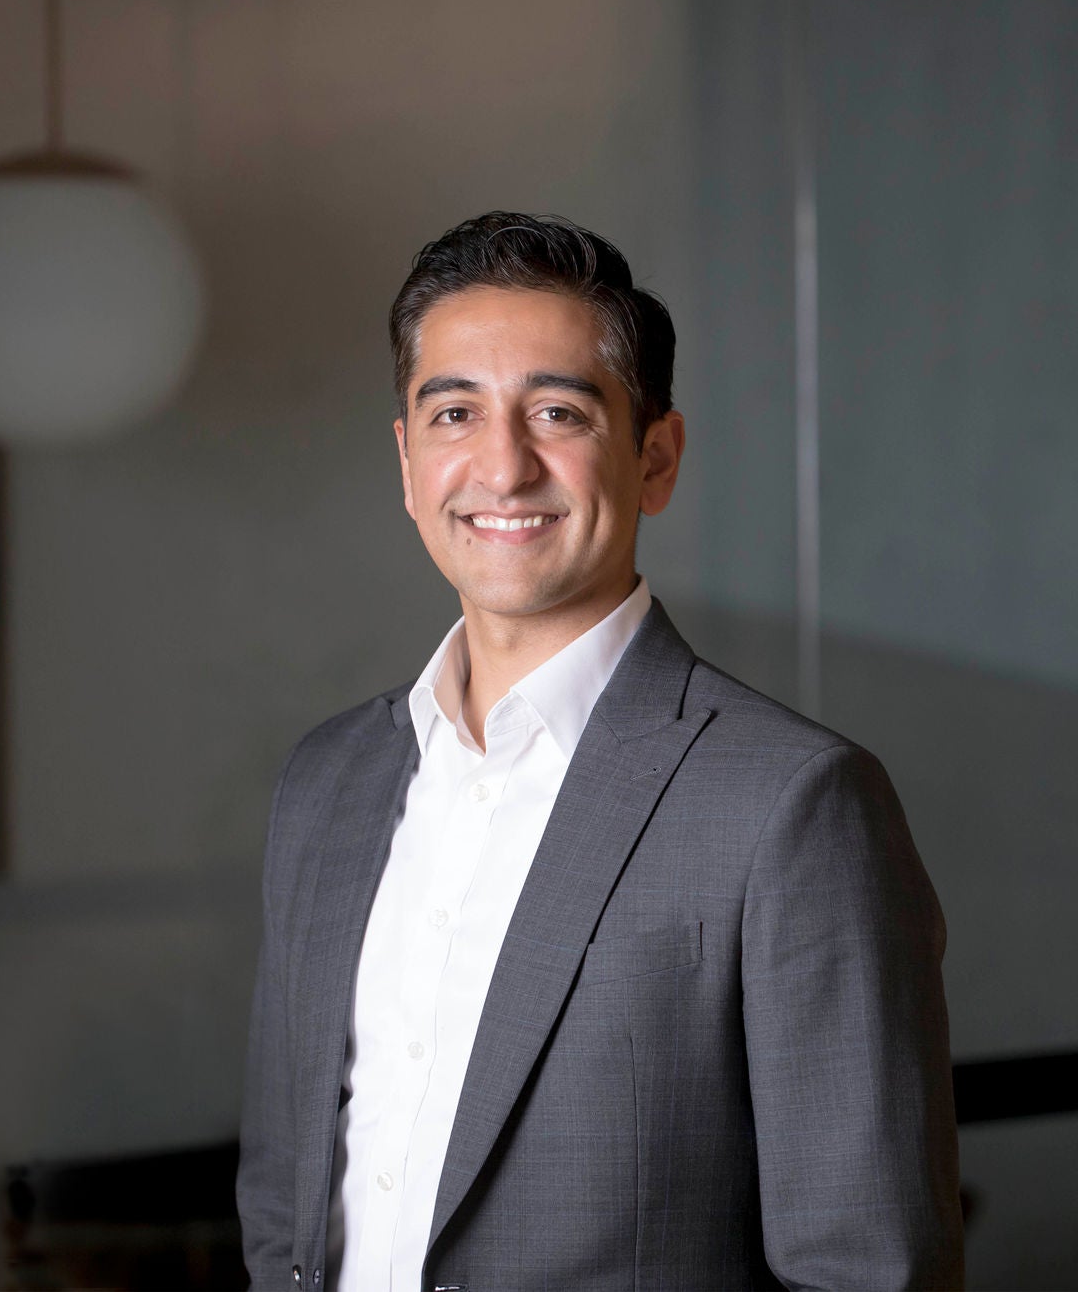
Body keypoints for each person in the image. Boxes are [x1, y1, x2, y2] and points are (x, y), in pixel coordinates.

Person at [236, 212, 961, 1292]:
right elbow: (280, 1207)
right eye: (454, 413)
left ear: (654, 458)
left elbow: (867, 1272)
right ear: (407, 461)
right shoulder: (327, 781)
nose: (502, 466)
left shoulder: (790, 804)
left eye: (558, 413)